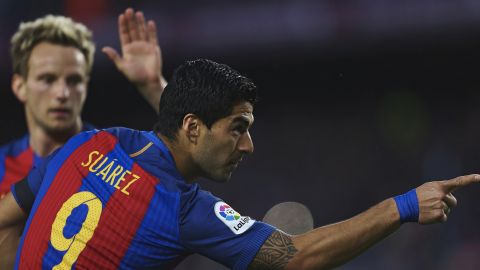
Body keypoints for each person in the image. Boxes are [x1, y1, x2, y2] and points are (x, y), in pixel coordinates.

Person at [0, 58, 477, 269]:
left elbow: (4, 221)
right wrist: (406, 204)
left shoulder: (90, 143)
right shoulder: (184, 211)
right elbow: (298, 257)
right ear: (192, 126)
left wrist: (155, 87)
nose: (247, 146)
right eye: (238, 127)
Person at [0, 7, 166, 268]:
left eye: (74, 80)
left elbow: (192, 149)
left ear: (85, 87)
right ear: (19, 86)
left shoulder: (120, 156)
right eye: (47, 79)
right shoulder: (1, 169)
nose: (63, 93)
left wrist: (155, 88)